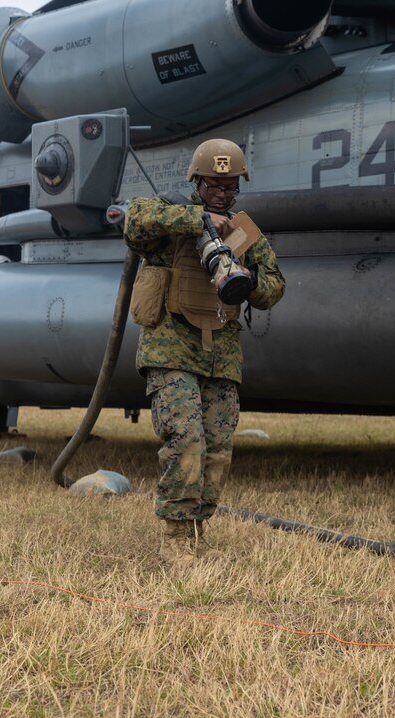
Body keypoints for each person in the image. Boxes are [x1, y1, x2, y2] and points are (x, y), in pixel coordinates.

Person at [123, 139, 285, 566]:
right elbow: (134, 219)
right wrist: (197, 221)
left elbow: (275, 287)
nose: (223, 193)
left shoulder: (244, 233)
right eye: (215, 185)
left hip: (221, 356)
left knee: (217, 448)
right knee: (187, 438)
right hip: (171, 348)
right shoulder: (172, 215)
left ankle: (197, 531)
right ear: (197, 181)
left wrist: (247, 277)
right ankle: (175, 535)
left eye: (230, 187)